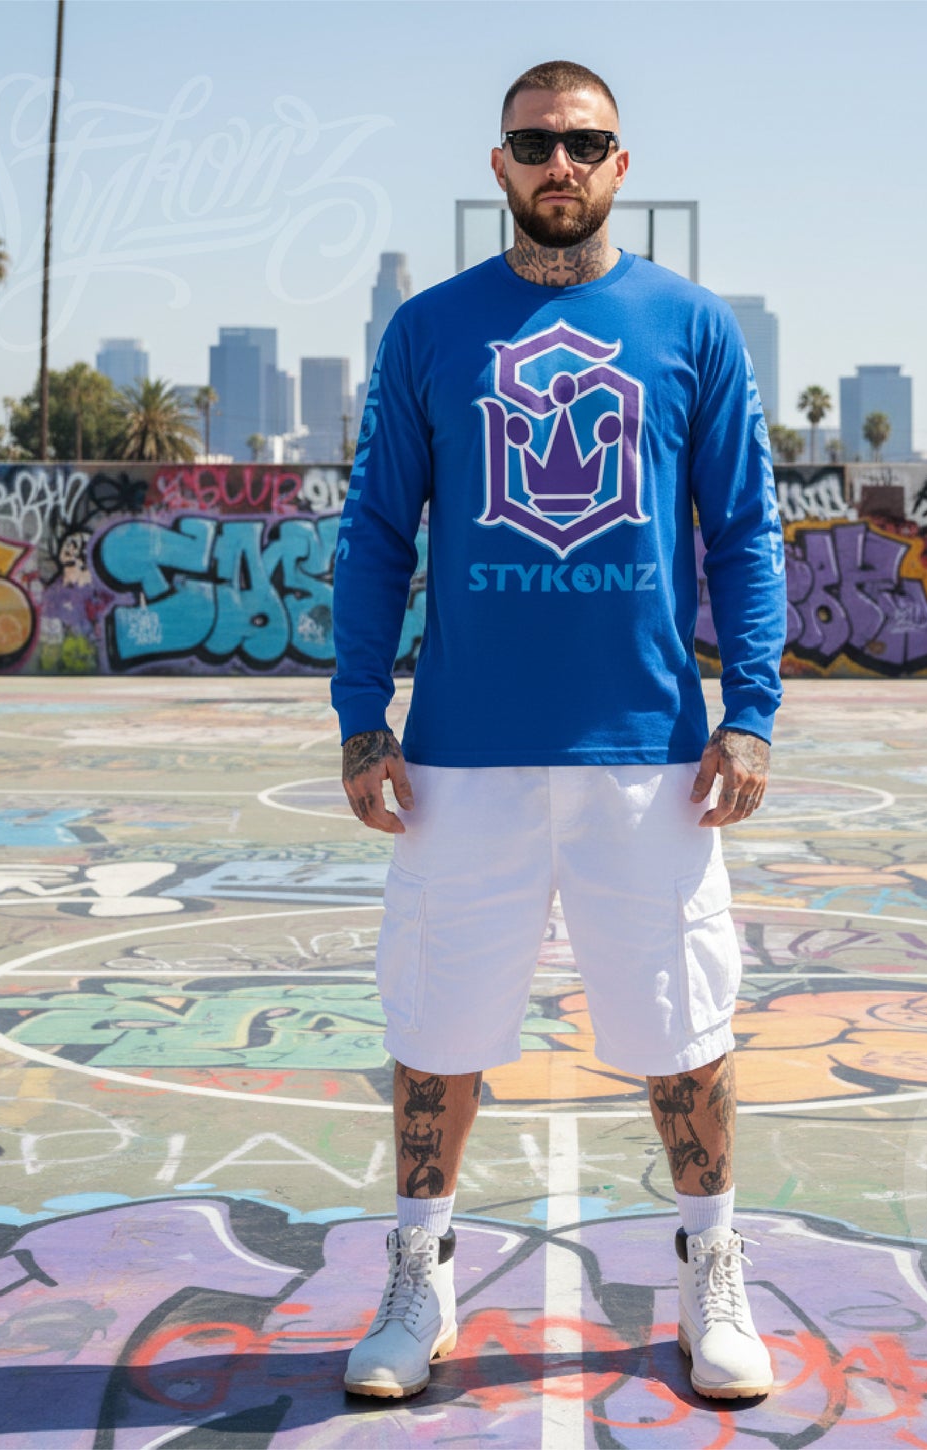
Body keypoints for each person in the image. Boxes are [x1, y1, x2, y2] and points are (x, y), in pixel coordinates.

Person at [330, 59, 786, 1402]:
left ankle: (710, 1265)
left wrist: (749, 710)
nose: (559, 163)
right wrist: (365, 716)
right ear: (498, 165)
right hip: (460, 751)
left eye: (584, 142)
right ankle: (419, 1274)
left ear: (619, 165)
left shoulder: (691, 327)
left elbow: (745, 531)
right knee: (436, 1032)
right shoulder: (428, 330)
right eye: (534, 142)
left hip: (647, 749)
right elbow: (374, 534)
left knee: (685, 1033)